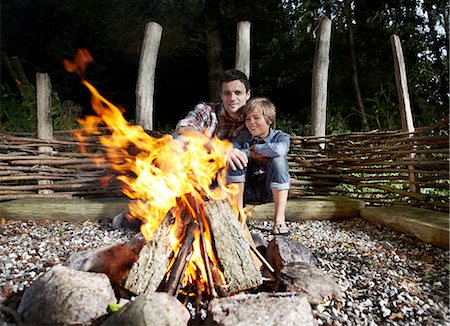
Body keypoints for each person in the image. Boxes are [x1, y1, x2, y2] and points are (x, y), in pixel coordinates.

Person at [227, 97, 291, 236]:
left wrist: (257, 148)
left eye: (256, 118)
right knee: (236, 157)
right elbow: (231, 150)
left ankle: (279, 219)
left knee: (278, 160)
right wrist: (249, 154)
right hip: (246, 189)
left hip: (269, 190)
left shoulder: (280, 137)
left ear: (269, 120)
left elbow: (280, 150)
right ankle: (238, 217)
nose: (251, 123)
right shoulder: (243, 137)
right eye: (248, 119)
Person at [176, 69, 250, 170]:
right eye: (227, 93)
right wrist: (218, 147)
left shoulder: (255, 116)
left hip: (243, 171)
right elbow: (184, 128)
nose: (232, 98)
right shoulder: (208, 110)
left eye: (238, 93)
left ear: (248, 94)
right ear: (221, 95)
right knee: (178, 141)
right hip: (205, 168)